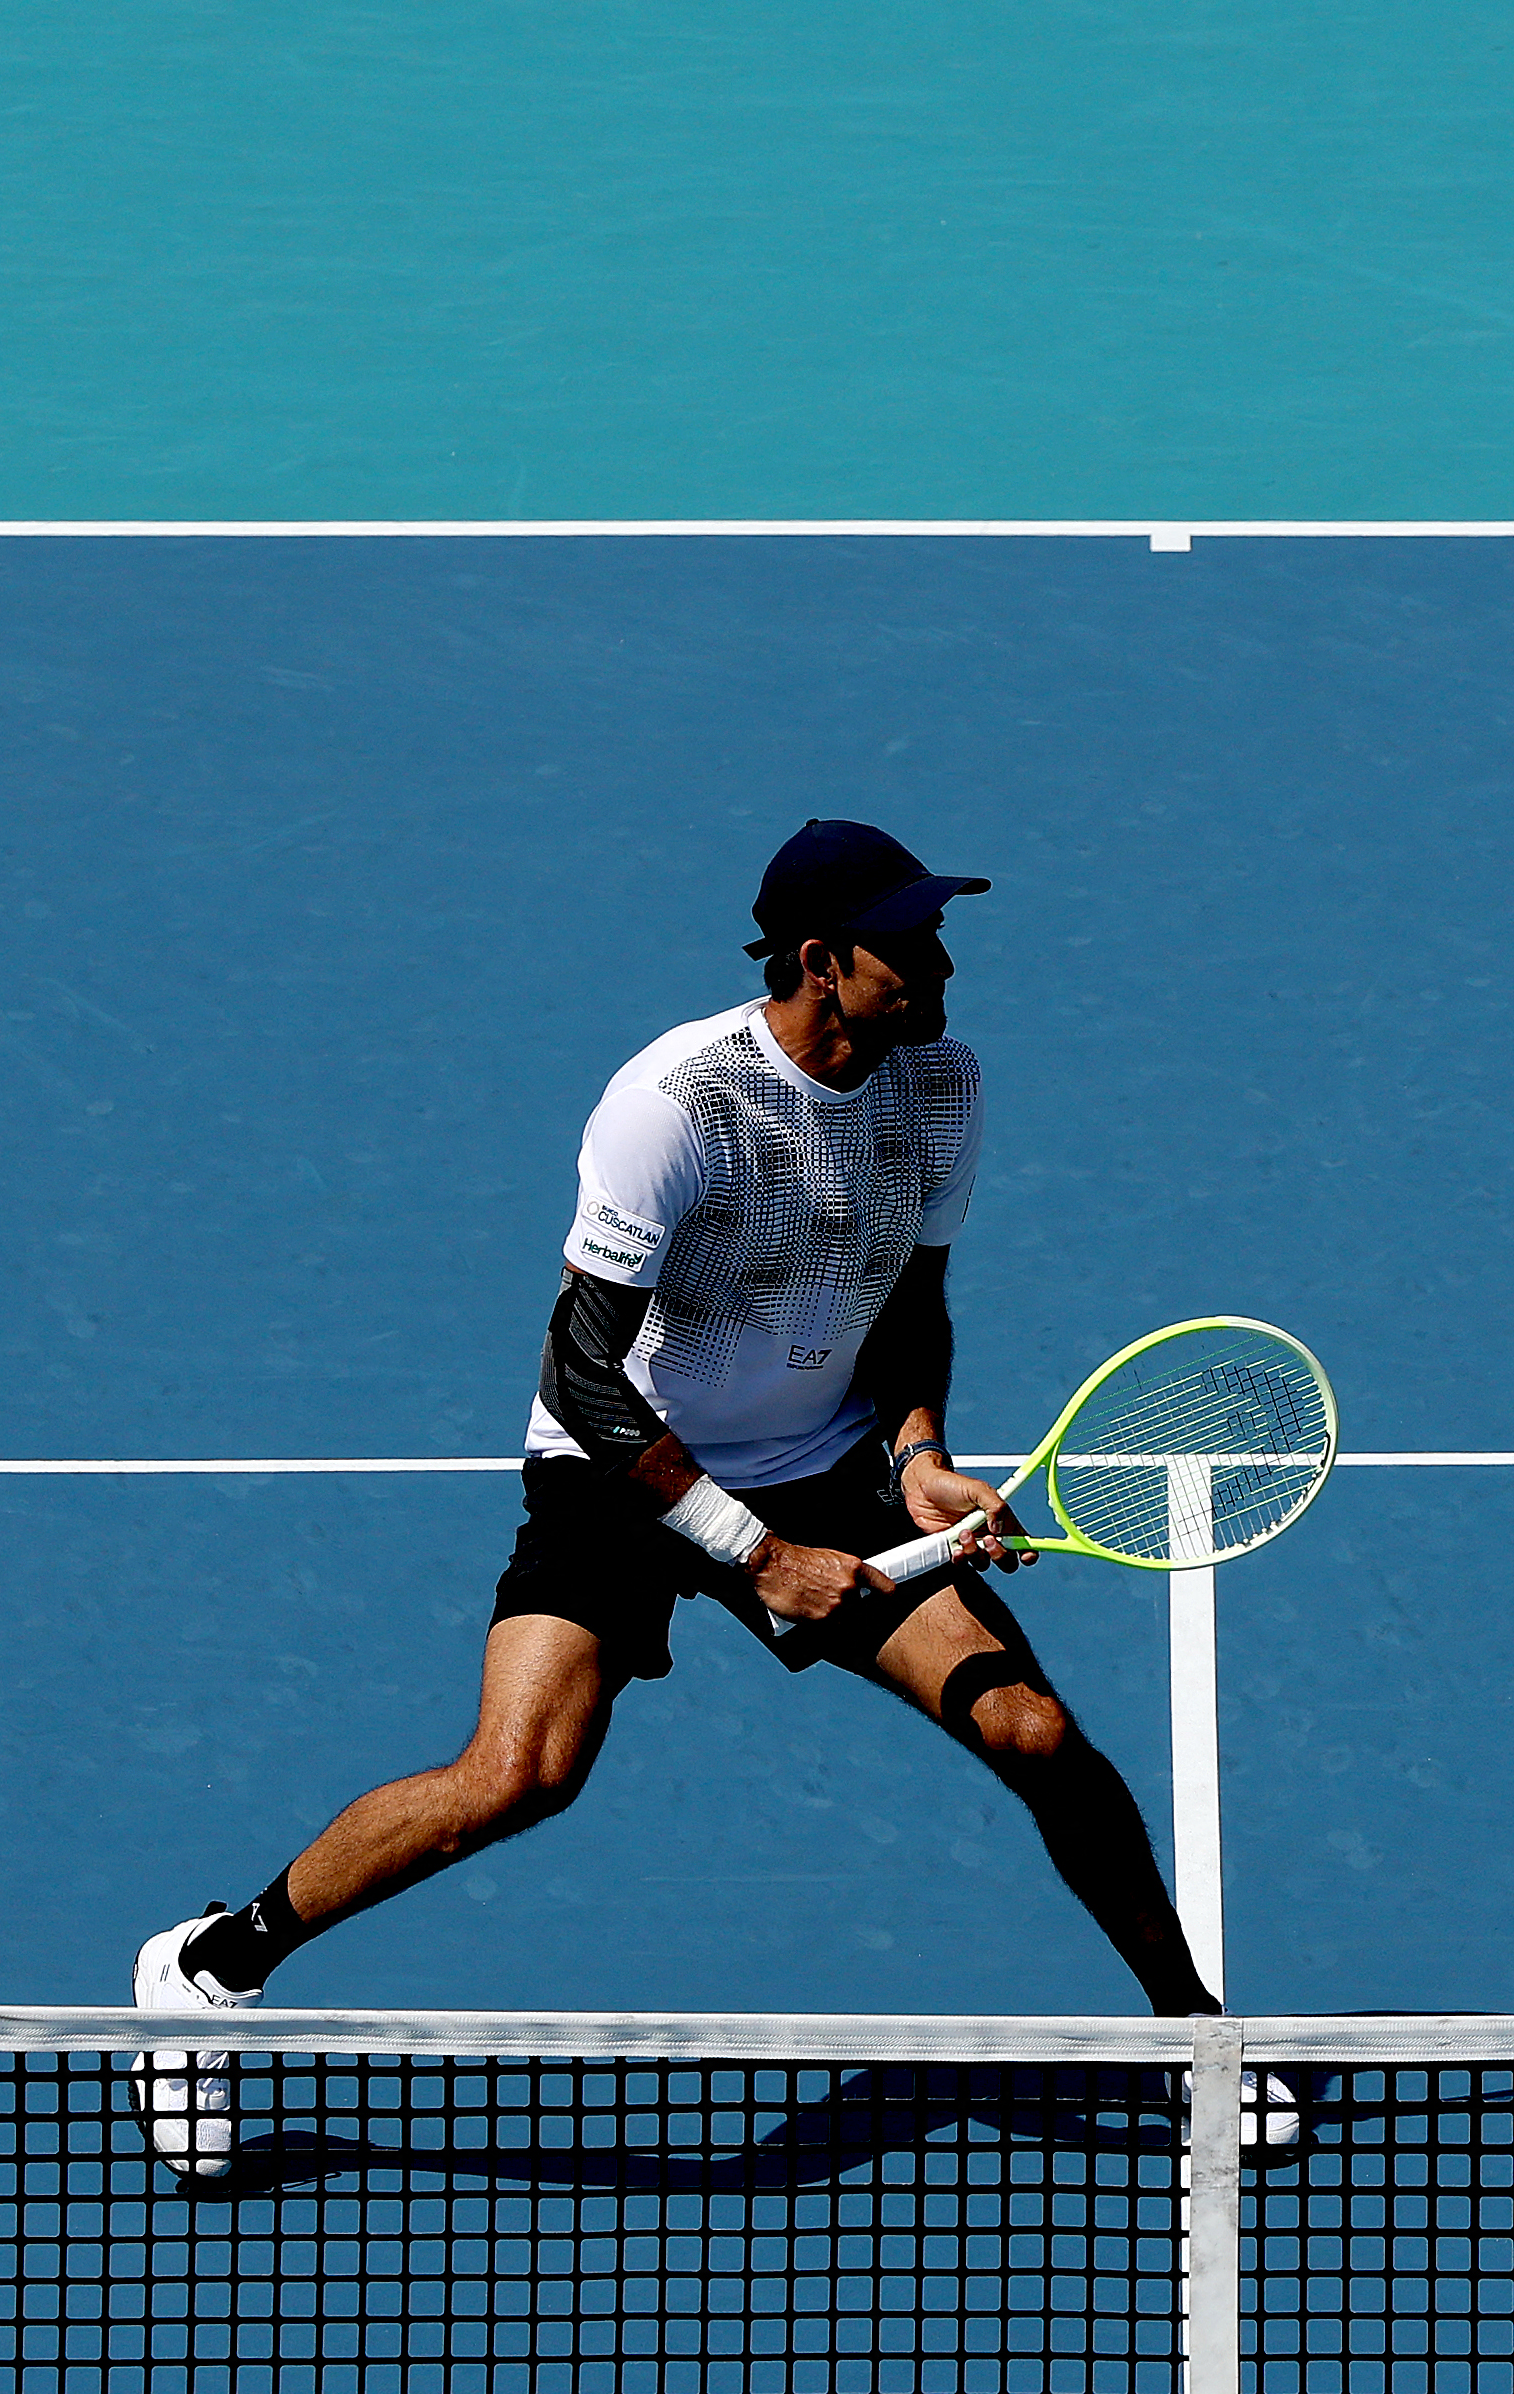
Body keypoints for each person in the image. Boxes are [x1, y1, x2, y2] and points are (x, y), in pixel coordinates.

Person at [129, 820, 1289, 2173]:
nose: (939, 963)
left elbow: (913, 1302)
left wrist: (915, 1456)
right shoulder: (677, 1104)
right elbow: (578, 1372)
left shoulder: (943, 1088)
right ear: (820, 960)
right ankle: (209, 1968)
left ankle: (1191, 2034)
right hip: (626, 1467)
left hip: (829, 1464)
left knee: (1034, 1733)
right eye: (908, 943)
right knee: (518, 1776)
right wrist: (753, 1553)